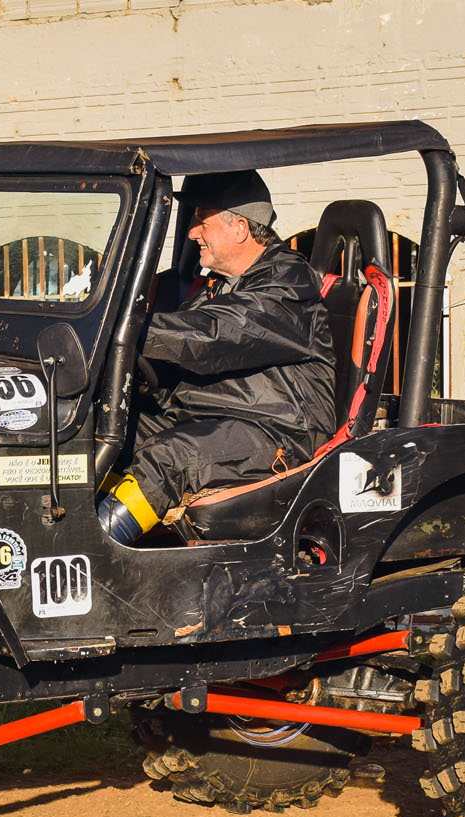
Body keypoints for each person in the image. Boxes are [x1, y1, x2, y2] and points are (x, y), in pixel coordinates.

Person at [97, 170, 336, 544]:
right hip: (212, 415)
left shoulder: (287, 286)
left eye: (200, 220)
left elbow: (212, 335)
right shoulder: (219, 284)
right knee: (105, 430)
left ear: (240, 227)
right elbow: (185, 344)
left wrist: (123, 331)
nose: (193, 232)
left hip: (277, 429)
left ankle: (96, 553)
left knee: (169, 460)